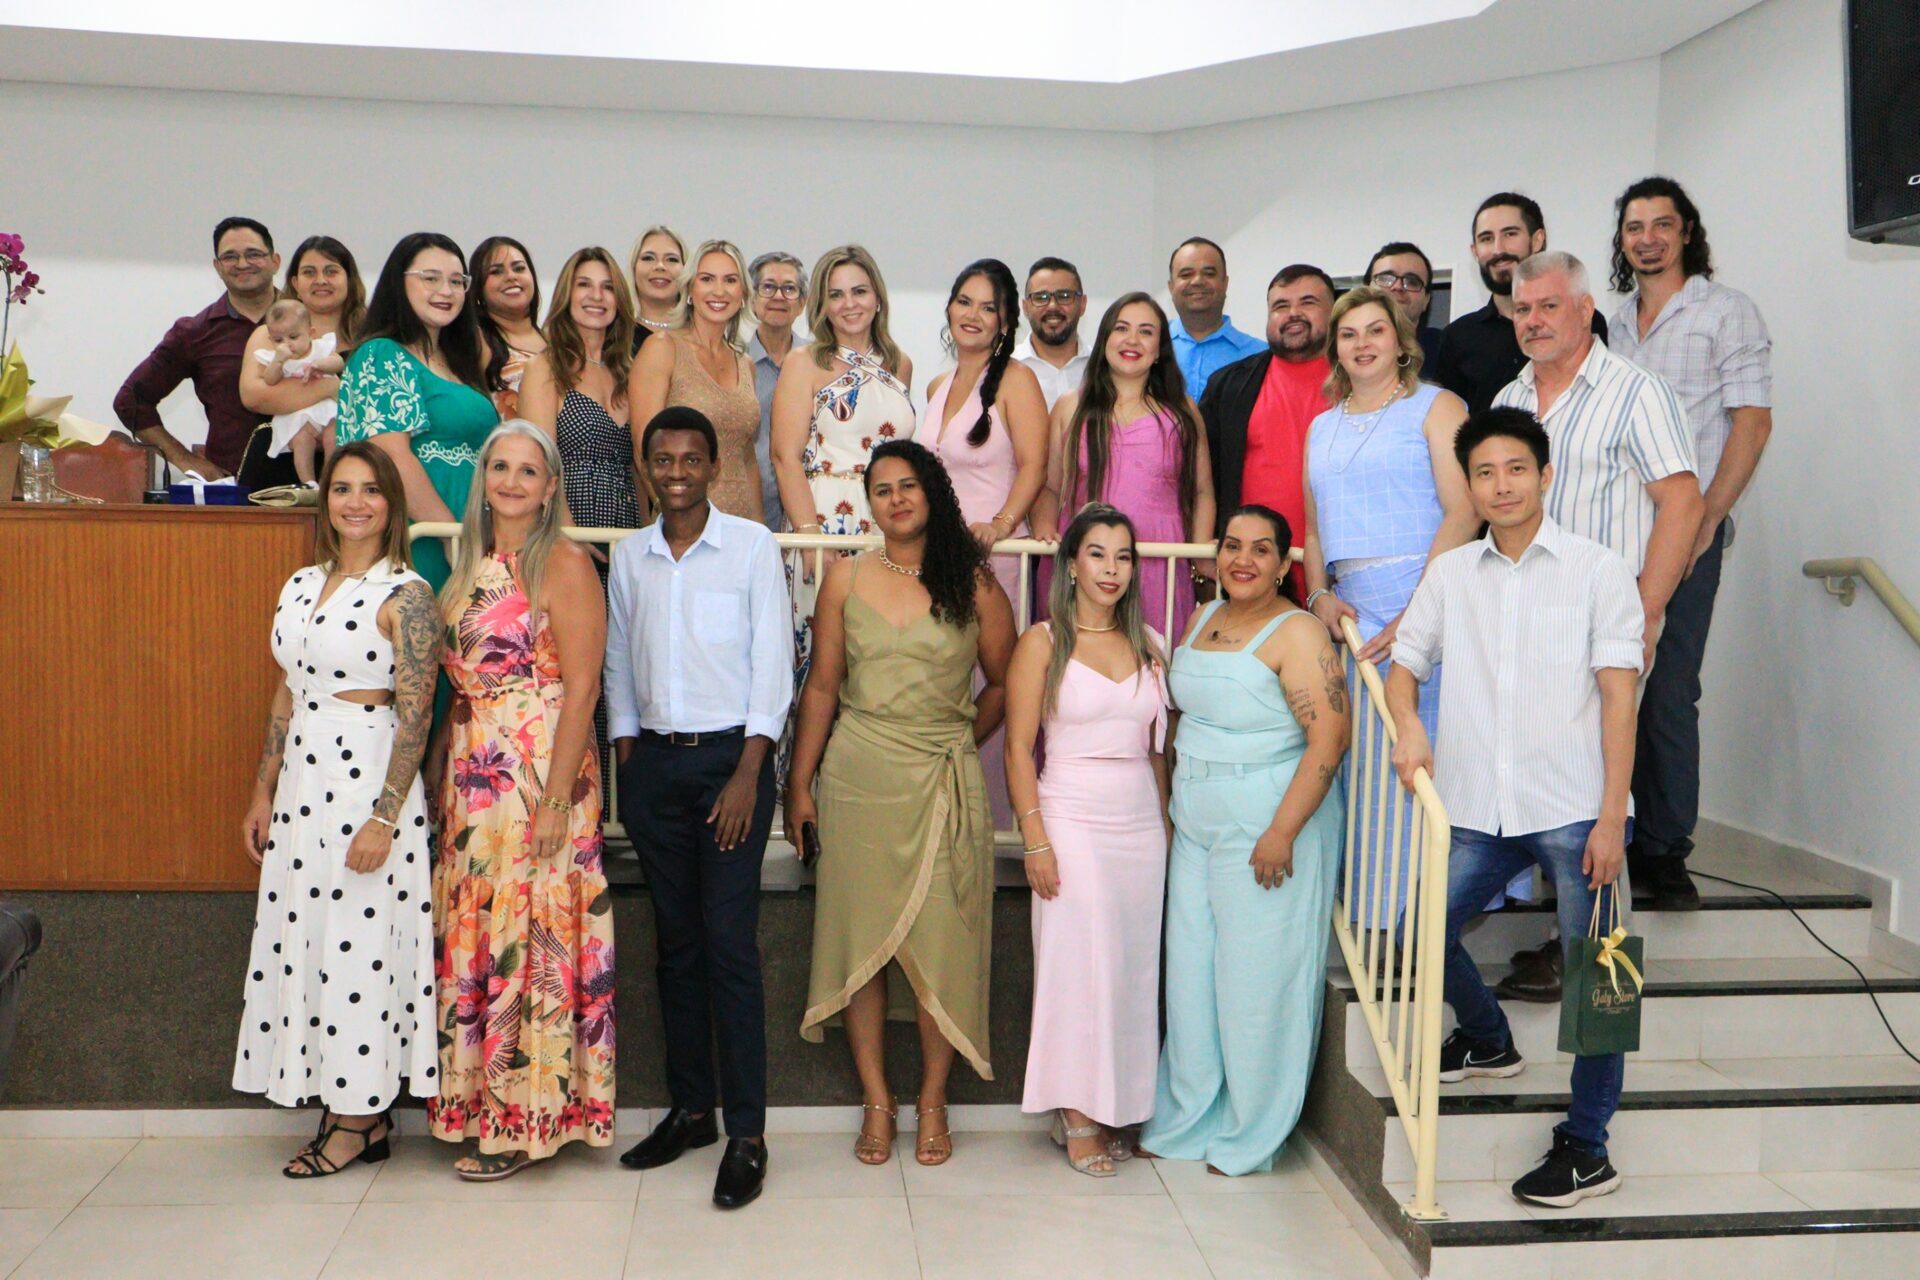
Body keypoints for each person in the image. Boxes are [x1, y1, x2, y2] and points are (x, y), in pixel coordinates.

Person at [1386, 407, 1643, 1209]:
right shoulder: (1451, 575)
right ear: (1469, 485)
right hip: (1478, 807)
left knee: (1601, 978)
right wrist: (1407, 727)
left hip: (1576, 807)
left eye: (1516, 469)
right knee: (1418, 933)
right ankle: (1489, 1040)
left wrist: (1612, 818)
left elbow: (1619, 698)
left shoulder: (1598, 570)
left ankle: (1588, 1146)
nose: (1502, 485)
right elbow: (1403, 666)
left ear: (1545, 475)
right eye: (1485, 473)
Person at [787, 440, 1015, 1167]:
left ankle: (934, 1098)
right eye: (882, 489)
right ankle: (878, 1100)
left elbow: (1006, 683)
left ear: (933, 491)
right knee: (862, 944)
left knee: (941, 945)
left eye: (908, 485)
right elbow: (822, 688)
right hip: (857, 780)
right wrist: (800, 784)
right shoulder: (846, 578)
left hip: (943, 780)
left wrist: (957, 740)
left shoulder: (974, 584)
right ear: (871, 504)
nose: (896, 499)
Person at [1490, 250, 1702, 1001]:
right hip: (1526, 630)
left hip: (1606, 628)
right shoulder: (1511, 397)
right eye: (1522, 309)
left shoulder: (1635, 391)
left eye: (1550, 305)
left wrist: (1647, 609)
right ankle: (1566, 942)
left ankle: (1607, 988)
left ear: (1585, 310)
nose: (1534, 320)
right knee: (1559, 794)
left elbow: (1682, 501)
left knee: (1604, 798)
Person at [233, 441, 440, 1177]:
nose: (356, 502)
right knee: (315, 941)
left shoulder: (408, 594)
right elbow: (287, 690)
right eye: (342, 488)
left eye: (371, 490)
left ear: (391, 504)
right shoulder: (300, 584)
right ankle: (354, 1109)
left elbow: (417, 715)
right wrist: (263, 789)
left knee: (361, 947)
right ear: (324, 500)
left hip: (368, 781)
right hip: (302, 786)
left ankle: (356, 1120)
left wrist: (385, 817)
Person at [605, 407, 793, 1210]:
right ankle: (692, 1112)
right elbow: (619, 657)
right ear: (647, 467)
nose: (676, 472)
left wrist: (750, 771)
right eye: (663, 459)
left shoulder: (751, 546)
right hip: (656, 768)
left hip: (731, 767)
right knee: (675, 947)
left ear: (714, 467)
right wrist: (628, 758)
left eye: (691, 459)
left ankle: (748, 1133)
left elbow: (773, 664)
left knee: (728, 947)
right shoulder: (630, 557)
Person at [425, 421, 614, 1180]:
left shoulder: (564, 560)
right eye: (499, 466)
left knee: (532, 937)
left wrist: (558, 800)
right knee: (481, 934)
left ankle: (525, 1123)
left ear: (550, 487)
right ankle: (481, 1109)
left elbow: (585, 686)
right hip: (473, 777)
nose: (510, 481)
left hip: (539, 771)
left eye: (527, 471)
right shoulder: (466, 561)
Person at [1139, 505, 1348, 1175]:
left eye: (1261, 549)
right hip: (1195, 819)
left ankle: (1252, 1129)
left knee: (1257, 981)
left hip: (1266, 822)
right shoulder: (1203, 616)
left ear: (1284, 564)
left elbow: (1330, 738)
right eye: (1232, 546)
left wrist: (1282, 831)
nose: (1243, 559)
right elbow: (1177, 718)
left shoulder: (1299, 631)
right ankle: (1190, 1116)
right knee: (1191, 977)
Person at [1605, 176, 1774, 912]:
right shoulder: (1613, 325)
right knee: (1611, 685)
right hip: (1615, 536)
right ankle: (1610, 833)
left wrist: (1709, 514)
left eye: (1661, 225)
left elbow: (1752, 422)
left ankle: (1665, 851)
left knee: (1669, 689)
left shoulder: (1725, 311)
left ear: (1686, 232)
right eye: (1634, 227)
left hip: (1688, 533)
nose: (1647, 238)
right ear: (1622, 241)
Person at [1005, 504, 1169, 1177]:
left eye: (1123, 556)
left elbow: (1158, 753)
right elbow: (1017, 749)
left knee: (1129, 969)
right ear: (1071, 564)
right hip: (1069, 814)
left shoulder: (1151, 643)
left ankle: (1112, 1105)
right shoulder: (1042, 642)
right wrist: (1035, 839)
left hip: (1139, 821)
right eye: (1097, 553)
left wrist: (1167, 826)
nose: (1111, 568)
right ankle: (1075, 1113)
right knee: (1077, 965)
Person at [1301, 286, 1474, 921]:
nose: (1362, 344)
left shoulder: (1436, 406)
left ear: (1401, 341)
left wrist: (1418, 614)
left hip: (1424, 601)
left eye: (1375, 330)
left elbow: (1465, 510)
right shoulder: (1320, 426)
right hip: (1352, 621)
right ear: (1335, 349)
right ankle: (1376, 919)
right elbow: (1313, 532)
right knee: (1369, 777)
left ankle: (1425, 925)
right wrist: (1319, 594)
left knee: (1423, 763)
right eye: (1348, 334)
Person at [917, 259, 1049, 831]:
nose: (972, 315)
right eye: (964, 301)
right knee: (943, 682)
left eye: (987, 306)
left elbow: (1036, 465)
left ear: (1005, 321)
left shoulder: (1017, 380)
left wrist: (1001, 522)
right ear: (949, 308)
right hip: (935, 563)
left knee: (992, 687)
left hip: (996, 563)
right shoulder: (935, 385)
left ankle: (991, 828)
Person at [770, 245, 916, 696]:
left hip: (886, 522)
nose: (849, 304)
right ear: (821, 304)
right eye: (836, 294)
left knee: (880, 654)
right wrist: (812, 539)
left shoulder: (900, 363)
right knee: (819, 660)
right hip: (823, 520)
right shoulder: (804, 362)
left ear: (878, 297)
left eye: (859, 291)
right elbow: (784, 456)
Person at [1032, 293, 1215, 643]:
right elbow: (1050, 487)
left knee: (1153, 660)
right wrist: (1044, 530)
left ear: (1159, 349)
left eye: (1146, 331)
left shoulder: (1182, 411)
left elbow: (1202, 490)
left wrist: (1200, 553)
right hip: (1085, 560)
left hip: (1160, 560)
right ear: (1104, 340)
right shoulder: (1070, 406)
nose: (1132, 340)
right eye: (1121, 328)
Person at [335, 232, 499, 593]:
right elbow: (391, 457)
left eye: (456, 281)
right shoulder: (382, 354)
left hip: (472, 530)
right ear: (399, 282)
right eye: (430, 278)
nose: (446, 290)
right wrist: (450, 536)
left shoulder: (460, 362)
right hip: (421, 537)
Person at [1199, 264, 1336, 593]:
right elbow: (1201, 479)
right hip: (1250, 576)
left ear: (1334, 312)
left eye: (1308, 302)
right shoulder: (1228, 386)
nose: (1293, 313)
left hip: (1339, 576)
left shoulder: (1360, 385)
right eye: (1281, 306)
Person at [114, 215, 280, 478]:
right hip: (233, 488)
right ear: (217, 267)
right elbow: (130, 401)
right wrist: (185, 460)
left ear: (275, 261)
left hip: (311, 484)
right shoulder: (196, 332)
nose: (242, 264)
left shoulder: (312, 322)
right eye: (230, 257)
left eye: (253, 254)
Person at [1432, 193, 1607, 414]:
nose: (1498, 249)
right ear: (1474, 251)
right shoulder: (1458, 337)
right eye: (1486, 238)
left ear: (1537, 240)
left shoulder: (1582, 320)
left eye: (1510, 234)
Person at [629, 239, 763, 522]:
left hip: (740, 526)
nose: (719, 290)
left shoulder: (746, 364)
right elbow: (644, 449)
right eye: (707, 279)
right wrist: (674, 517)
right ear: (690, 289)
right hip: (683, 525)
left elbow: (747, 459)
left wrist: (760, 531)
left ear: (742, 294)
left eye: (730, 280)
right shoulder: (662, 348)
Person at [519, 246, 641, 537]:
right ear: (567, 294)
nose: (596, 296)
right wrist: (570, 538)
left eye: (608, 287)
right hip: (567, 527)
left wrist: (647, 535)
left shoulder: (629, 373)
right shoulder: (545, 368)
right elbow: (540, 462)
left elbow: (638, 466)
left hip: (627, 530)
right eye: (584, 284)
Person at [238, 235, 366, 488]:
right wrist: (329, 388)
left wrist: (295, 394)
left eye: (331, 271)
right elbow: (254, 396)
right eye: (309, 272)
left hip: (355, 472)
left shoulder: (372, 336)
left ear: (349, 280)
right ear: (295, 283)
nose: (321, 280)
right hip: (276, 469)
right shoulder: (267, 335)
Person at [251, 299, 345, 485]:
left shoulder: (320, 348)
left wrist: (320, 365)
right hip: (297, 415)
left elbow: (339, 362)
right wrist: (278, 362)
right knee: (301, 441)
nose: (287, 345)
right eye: (278, 340)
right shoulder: (274, 359)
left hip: (326, 410)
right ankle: (308, 482)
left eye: (293, 337)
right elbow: (270, 380)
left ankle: (329, 477)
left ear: (311, 333)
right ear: (271, 340)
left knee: (333, 437)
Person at [747, 250, 808, 530]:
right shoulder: (733, 362)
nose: (779, 297)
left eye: (789, 289)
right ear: (751, 299)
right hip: (750, 508)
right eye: (768, 287)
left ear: (803, 303)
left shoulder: (820, 362)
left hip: (809, 506)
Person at [1166, 237, 1264, 396]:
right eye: (1186, 274)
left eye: (1209, 274)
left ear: (1225, 283)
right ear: (1171, 287)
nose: (1197, 281)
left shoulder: (1261, 356)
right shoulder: (1150, 346)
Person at [471, 236, 545, 420]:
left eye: (519, 268)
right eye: (496, 272)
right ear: (478, 288)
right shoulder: (478, 340)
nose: (511, 276)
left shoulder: (555, 338)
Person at [1015, 256, 1090, 409]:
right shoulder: (1005, 369)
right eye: (1041, 297)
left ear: (1082, 304)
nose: (1052, 306)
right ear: (1025, 307)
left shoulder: (1103, 367)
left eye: (1064, 296)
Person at [1365, 242, 1443, 371]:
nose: (1397, 287)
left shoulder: (1447, 350)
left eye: (1412, 281)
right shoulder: (1344, 348)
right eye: (1385, 278)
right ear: (1365, 291)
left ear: (1426, 300)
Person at [628, 226, 688, 351]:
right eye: (648, 258)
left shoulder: (701, 333)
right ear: (633, 268)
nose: (660, 266)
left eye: (672, 259)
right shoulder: (616, 335)